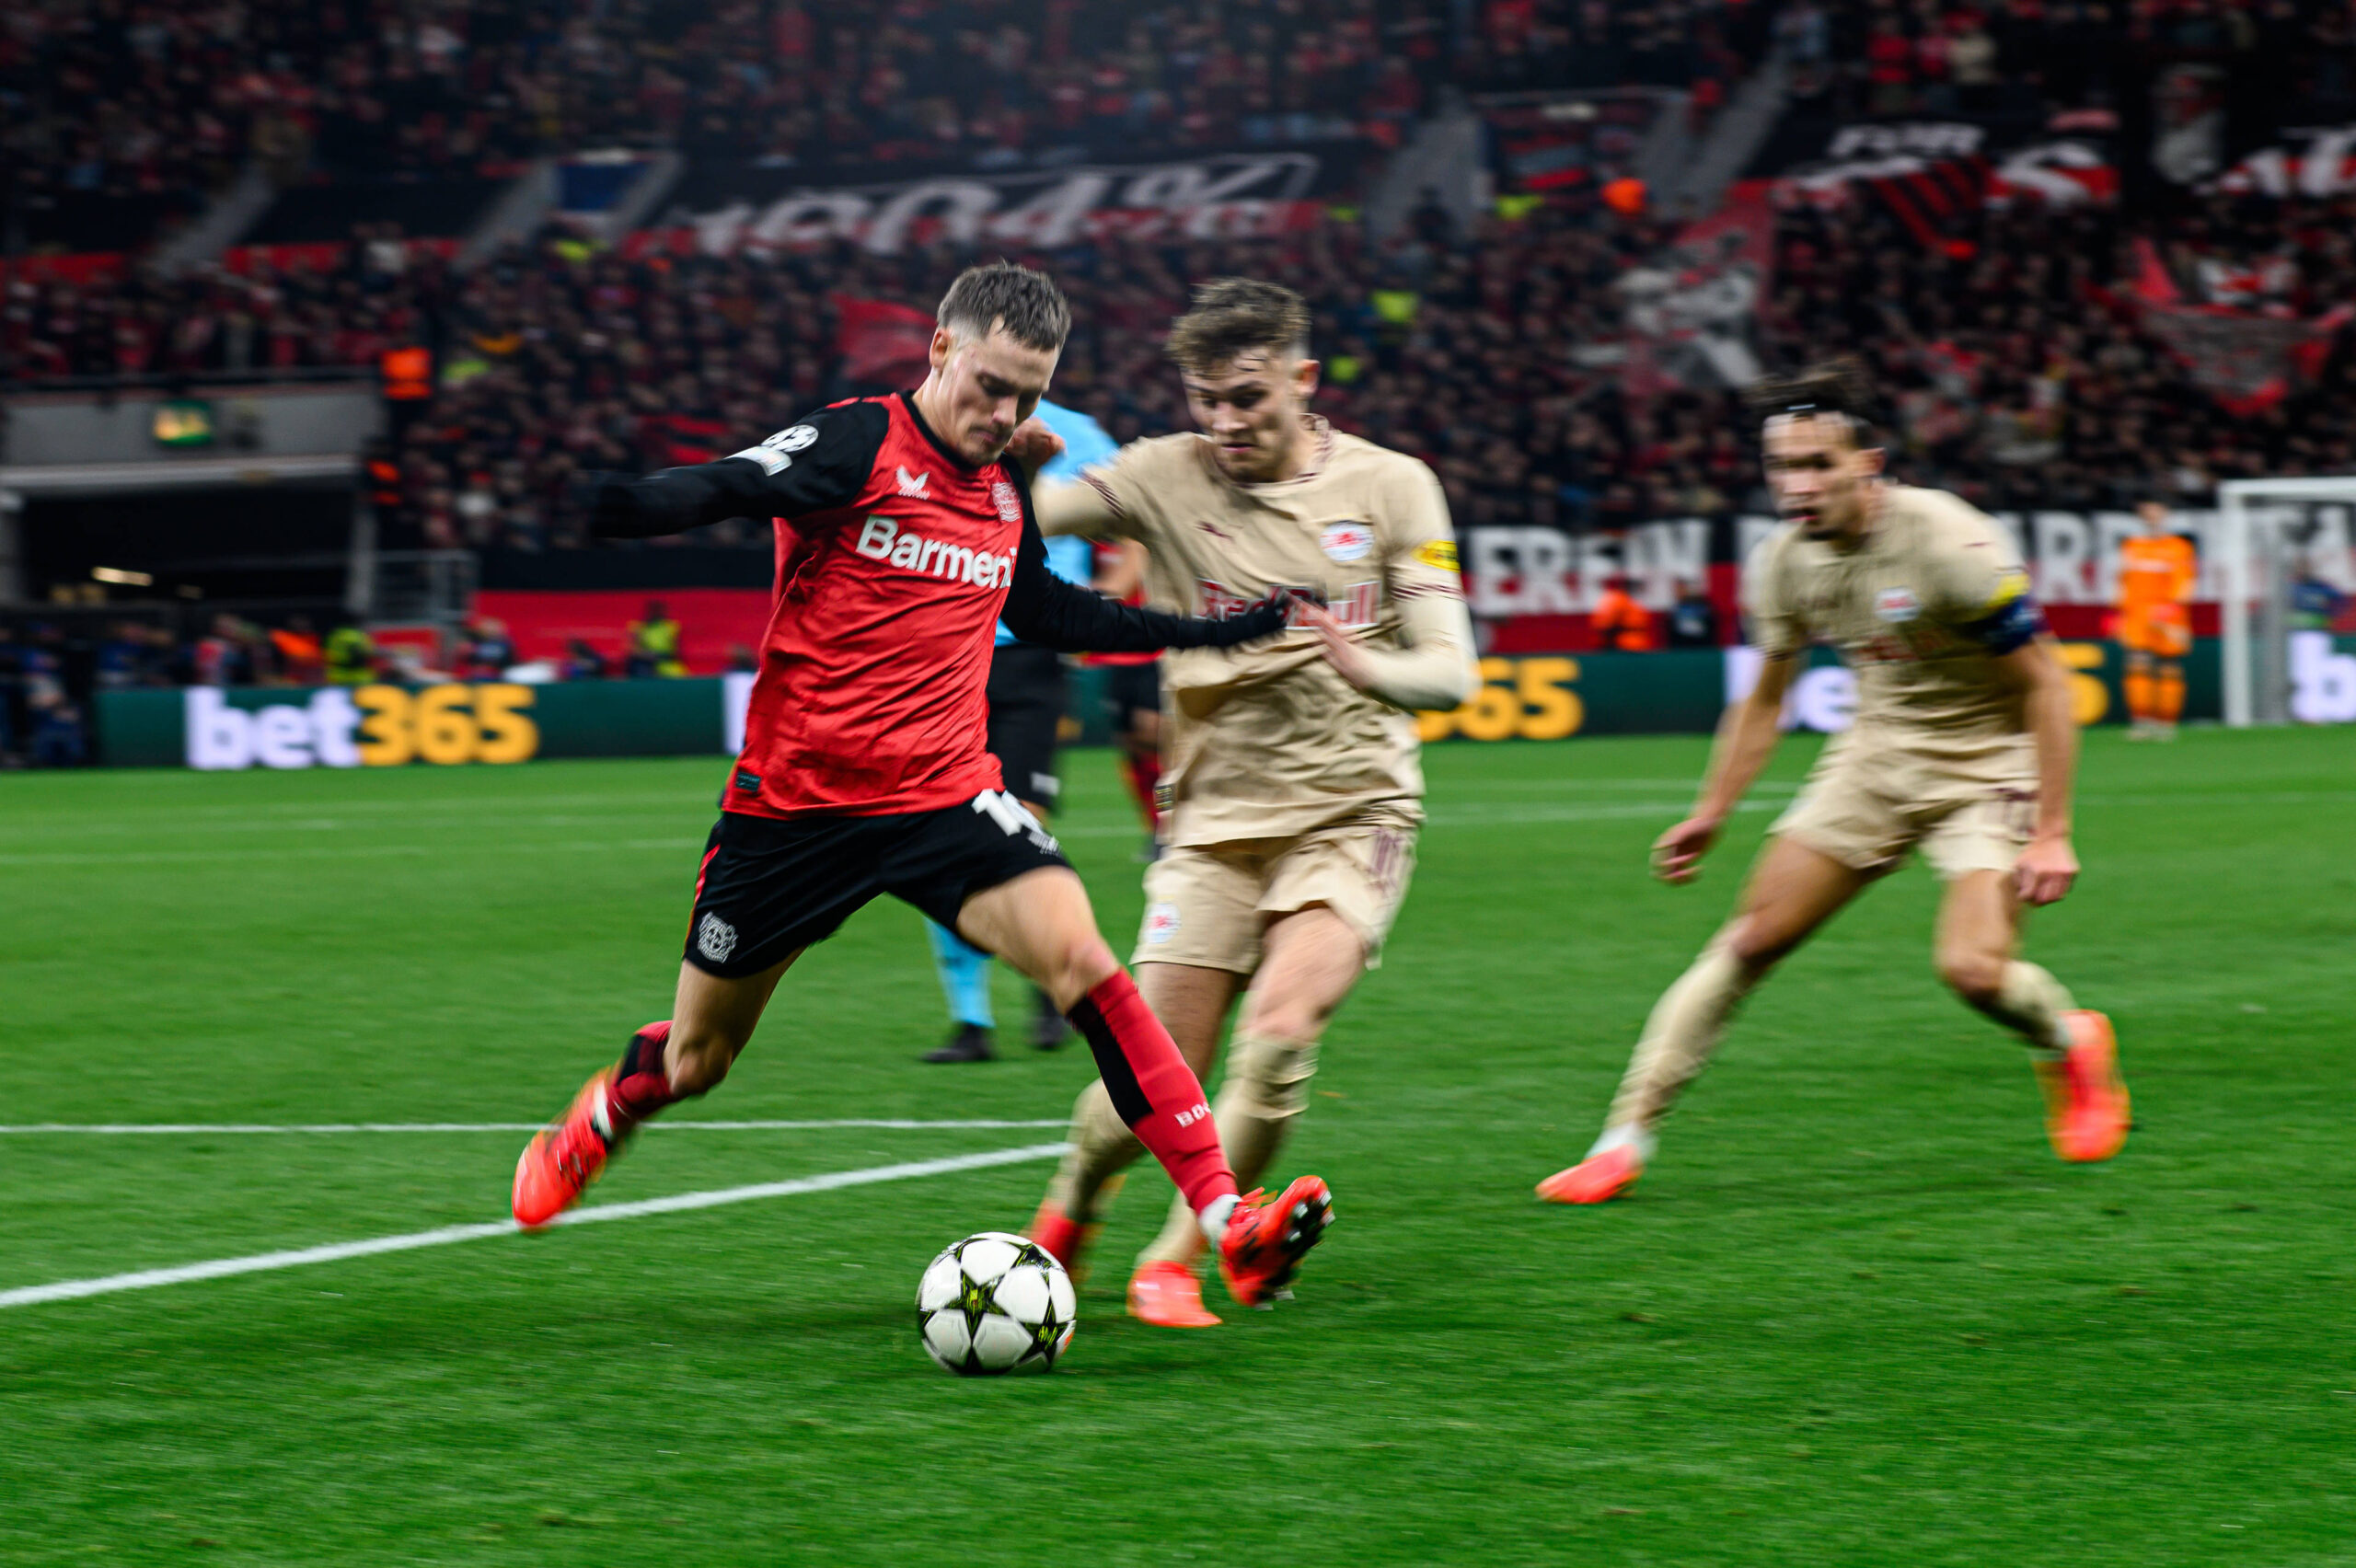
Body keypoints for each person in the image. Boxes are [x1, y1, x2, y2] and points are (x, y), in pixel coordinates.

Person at [509, 263, 1333, 1315]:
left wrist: (1214, 631)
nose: (1006, 415)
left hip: (945, 797)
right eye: (991, 385)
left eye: (1028, 396)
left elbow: (1049, 612)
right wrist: (616, 505)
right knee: (700, 1057)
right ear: (940, 350)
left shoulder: (1002, 487)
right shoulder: (857, 441)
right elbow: (729, 483)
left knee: (1087, 964)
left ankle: (1227, 1222)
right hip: (793, 811)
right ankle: (606, 1115)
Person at [1538, 362, 2129, 1206]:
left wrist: (2053, 830)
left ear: (1868, 465)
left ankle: (2067, 1039)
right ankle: (1620, 1142)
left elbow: (2048, 684)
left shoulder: (1951, 544)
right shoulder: (1781, 562)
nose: (1797, 486)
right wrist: (1711, 812)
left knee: (1973, 971)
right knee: (1748, 941)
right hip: (1875, 759)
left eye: (1818, 464)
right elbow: (1764, 700)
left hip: (1988, 764)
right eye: (1782, 466)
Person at [1022, 278, 1474, 1328]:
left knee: (1277, 1034)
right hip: (1211, 823)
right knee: (1151, 1081)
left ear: (1303, 380)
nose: (1224, 421)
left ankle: (1184, 1258)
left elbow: (1451, 672)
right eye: (1206, 399)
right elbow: (1022, 517)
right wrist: (1012, 468)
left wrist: (1369, 668)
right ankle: (1071, 1210)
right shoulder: (1159, 475)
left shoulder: (1393, 486)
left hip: (1353, 811)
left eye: (1247, 397)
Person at [921, 396, 1117, 1064]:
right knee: (941, 826)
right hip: (951, 648)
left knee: (1022, 827)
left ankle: (1045, 983)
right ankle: (970, 1022)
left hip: (1034, 657)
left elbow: (1131, 523)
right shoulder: (945, 416)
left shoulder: (1082, 435)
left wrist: (1098, 604)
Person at [1089, 537, 1167, 861]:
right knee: (1133, 746)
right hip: (1114, 653)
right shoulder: (1094, 540)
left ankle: (1172, 824)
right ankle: (1156, 827)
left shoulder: (1141, 536)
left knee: (1156, 740)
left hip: (1154, 650)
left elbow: (1120, 584)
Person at [2115, 498, 2196, 740]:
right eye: (2146, 509)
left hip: (2168, 614)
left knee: (2169, 666)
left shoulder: (2179, 547)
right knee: (2137, 663)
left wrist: (2167, 613)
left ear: (2165, 512)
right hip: (2138, 614)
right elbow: (2124, 582)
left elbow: (2185, 583)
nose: (2151, 514)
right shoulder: (2131, 545)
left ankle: (2166, 724)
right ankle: (2141, 722)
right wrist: (2118, 614)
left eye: (2155, 509)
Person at [1591, 573, 1658, 651]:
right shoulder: (1618, 599)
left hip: (1638, 643)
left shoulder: (1632, 600)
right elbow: (1605, 626)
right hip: (1624, 644)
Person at [624, 601, 685, 678]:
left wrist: (661, 657)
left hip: (665, 661)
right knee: (640, 668)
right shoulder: (637, 627)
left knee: (678, 675)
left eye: (659, 611)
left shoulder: (672, 627)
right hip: (644, 663)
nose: (656, 614)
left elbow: (676, 651)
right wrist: (648, 655)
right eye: (654, 611)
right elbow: (632, 650)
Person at [1667, 578, 1719, 648]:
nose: (1678, 592)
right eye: (1676, 590)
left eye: (1681, 589)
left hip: (1700, 644)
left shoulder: (1700, 604)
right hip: (1682, 645)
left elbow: (1709, 625)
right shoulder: (1676, 607)